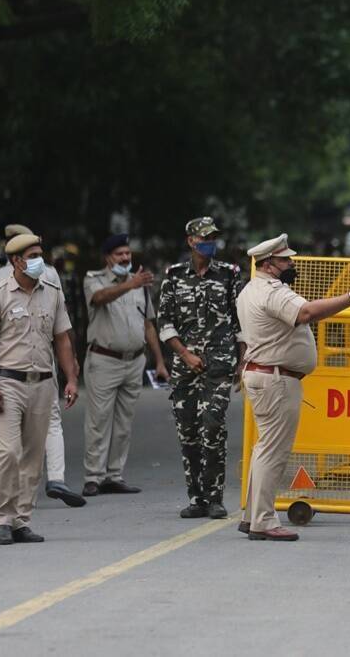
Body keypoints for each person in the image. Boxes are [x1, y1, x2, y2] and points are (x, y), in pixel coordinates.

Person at [236, 233, 350, 541]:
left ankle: (253, 516)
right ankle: (262, 520)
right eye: (286, 259)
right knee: (273, 451)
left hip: (266, 375)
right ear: (270, 264)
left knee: (265, 449)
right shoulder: (273, 291)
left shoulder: (251, 289)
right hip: (276, 379)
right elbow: (306, 313)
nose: (292, 263)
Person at [0, 234, 80, 545]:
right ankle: (2, 519)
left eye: (40, 254)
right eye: (33, 255)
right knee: (9, 452)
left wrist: (71, 379)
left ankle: (22, 520)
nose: (40, 260)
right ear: (16, 260)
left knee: (33, 456)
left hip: (43, 382)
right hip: (8, 383)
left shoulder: (51, 293)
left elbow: (62, 338)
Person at [157, 217, 244, 519]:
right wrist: (184, 354)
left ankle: (215, 496)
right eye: (204, 238)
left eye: (213, 237)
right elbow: (165, 322)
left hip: (219, 363)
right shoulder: (174, 276)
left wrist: (242, 360)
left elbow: (239, 320)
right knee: (188, 430)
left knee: (213, 425)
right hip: (185, 366)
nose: (210, 242)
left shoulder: (229, 275)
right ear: (191, 241)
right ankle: (196, 498)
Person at [81, 234, 168, 496]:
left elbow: (148, 324)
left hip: (134, 361)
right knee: (98, 421)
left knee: (123, 423)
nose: (125, 258)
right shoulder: (93, 279)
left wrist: (160, 362)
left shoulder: (139, 284)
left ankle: (113, 475)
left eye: (128, 253)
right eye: (119, 254)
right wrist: (130, 284)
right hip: (104, 360)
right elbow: (99, 299)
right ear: (108, 257)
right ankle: (92, 477)